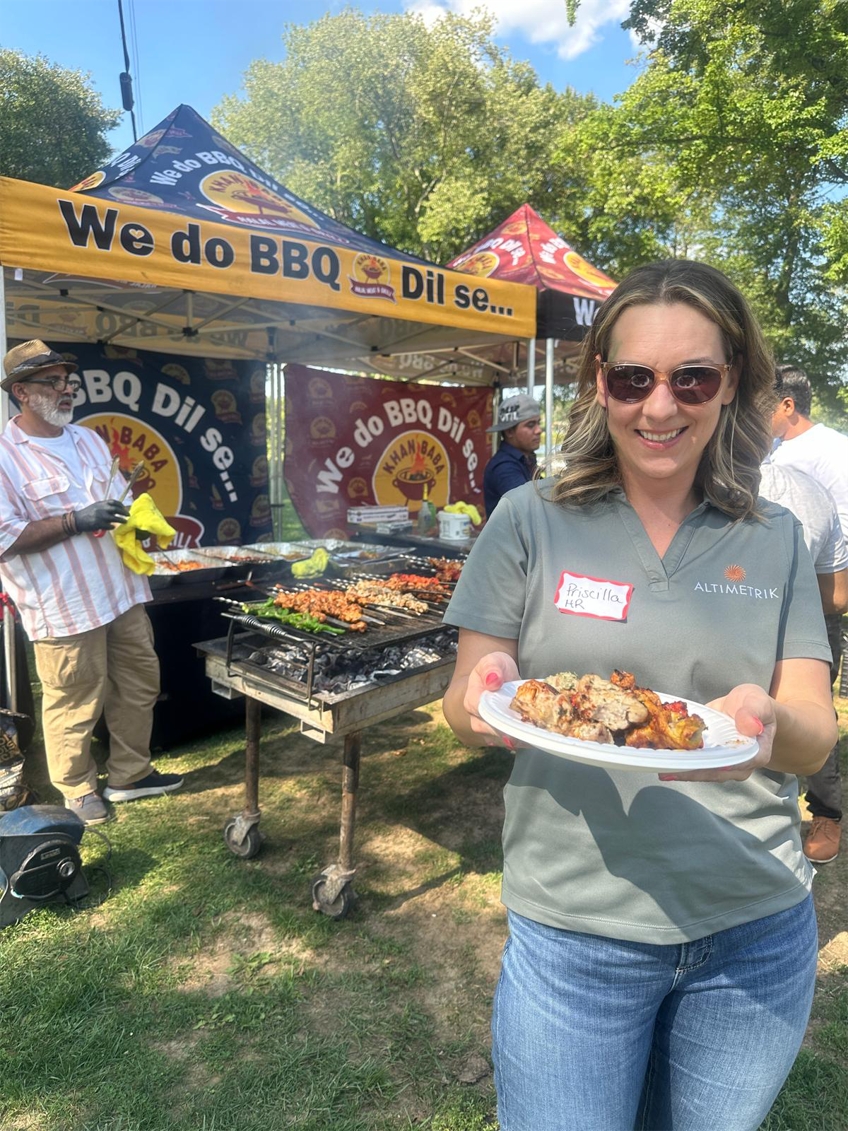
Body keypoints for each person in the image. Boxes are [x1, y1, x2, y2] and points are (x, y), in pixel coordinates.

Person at [442, 261, 837, 1131]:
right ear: (600, 384)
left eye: (691, 376)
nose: (661, 407)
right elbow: (465, 708)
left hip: (753, 929)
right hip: (576, 932)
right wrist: (485, 698)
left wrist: (768, 726)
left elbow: (815, 731)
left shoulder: (775, 538)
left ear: (730, 383)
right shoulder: (529, 520)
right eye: (634, 378)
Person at [0, 340, 183, 825]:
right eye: (52, 382)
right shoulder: (3, 455)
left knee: (139, 685)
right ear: (21, 391)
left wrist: (133, 520)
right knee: (74, 699)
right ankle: (77, 789)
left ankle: (130, 774)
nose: (66, 390)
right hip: (62, 603)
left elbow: (111, 501)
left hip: (120, 591)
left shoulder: (88, 439)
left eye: (69, 381)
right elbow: (4, 536)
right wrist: (73, 521)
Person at [768, 364, 848, 861]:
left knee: (813, 708)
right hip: (771, 595)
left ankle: (826, 814)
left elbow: (834, 549)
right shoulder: (781, 451)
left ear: (786, 405)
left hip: (822, 591)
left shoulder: (822, 455)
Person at [482, 393, 542, 517]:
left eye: (538, 423)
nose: (538, 430)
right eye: (530, 425)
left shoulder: (526, 459)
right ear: (509, 431)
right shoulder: (504, 467)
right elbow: (531, 509)